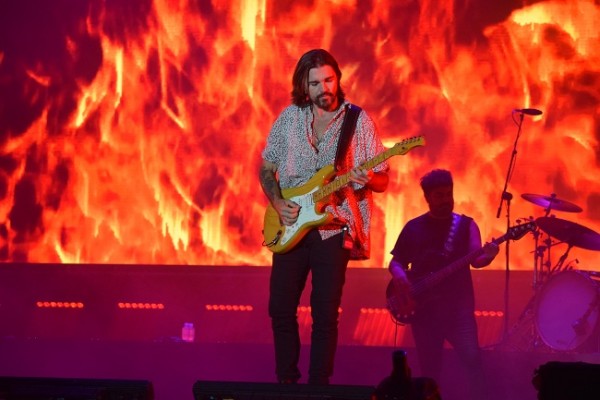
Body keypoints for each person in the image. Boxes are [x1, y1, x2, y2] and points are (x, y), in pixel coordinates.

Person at [259, 49, 389, 385]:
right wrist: (276, 202)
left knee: (324, 314)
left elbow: (383, 178)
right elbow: (266, 169)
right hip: (289, 225)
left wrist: (368, 179)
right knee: (280, 308)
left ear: (338, 79)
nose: (324, 87)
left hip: (333, 229)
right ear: (304, 85)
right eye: (315, 82)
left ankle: (318, 387)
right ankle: (286, 383)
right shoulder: (288, 119)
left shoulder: (358, 122)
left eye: (329, 79)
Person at [388, 169, 499, 399]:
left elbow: (477, 259)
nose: (446, 200)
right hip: (424, 313)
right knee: (429, 371)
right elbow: (396, 262)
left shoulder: (466, 225)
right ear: (427, 198)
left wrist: (489, 255)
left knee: (473, 362)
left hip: (459, 311)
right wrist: (400, 278)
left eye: (449, 194)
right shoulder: (414, 227)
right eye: (439, 195)